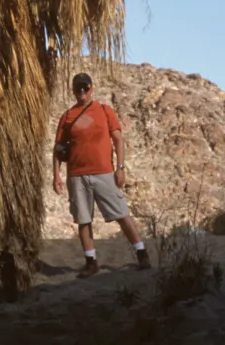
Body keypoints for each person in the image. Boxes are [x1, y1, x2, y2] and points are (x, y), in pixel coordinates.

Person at [52, 72, 152, 275]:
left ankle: (142, 254)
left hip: (103, 172)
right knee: (83, 219)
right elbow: (58, 148)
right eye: (78, 88)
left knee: (121, 213)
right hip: (77, 174)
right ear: (73, 90)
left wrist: (120, 167)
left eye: (85, 87)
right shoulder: (68, 116)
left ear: (91, 88)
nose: (82, 91)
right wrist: (56, 176)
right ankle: (91, 262)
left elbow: (118, 140)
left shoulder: (104, 111)